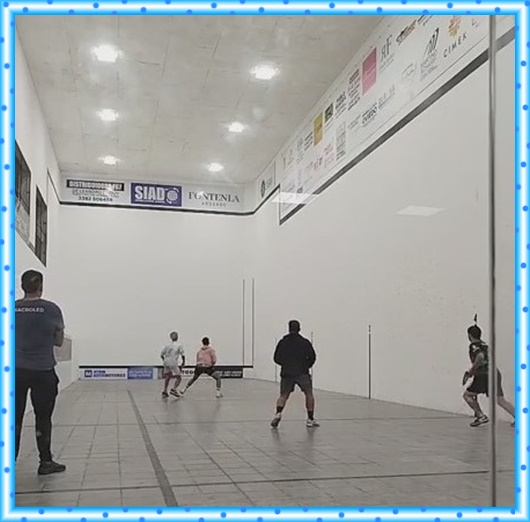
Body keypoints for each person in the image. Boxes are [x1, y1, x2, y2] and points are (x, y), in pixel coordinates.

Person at [15, 270, 66, 475]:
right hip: (43, 371)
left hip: (15, 371)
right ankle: (45, 462)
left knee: (13, 419)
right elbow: (59, 341)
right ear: (41, 287)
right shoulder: (52, 309)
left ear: (22, 286)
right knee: (43, 418)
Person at [462, 324, 515, 427]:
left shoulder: (474, 346)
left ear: (469, 335)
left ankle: (481, 416)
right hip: (494, 372)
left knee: (467, 395)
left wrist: (471, 371)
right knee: (499, 399)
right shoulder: (485, 345)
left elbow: (480, 357)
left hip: (484, 375)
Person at [271, 320, 319, 428]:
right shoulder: (305, 342)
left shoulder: (283, 342)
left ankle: (278, 413)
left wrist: (285, 364)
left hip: (287, 373)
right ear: (299, 329)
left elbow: (276, 358)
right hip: (302, 372)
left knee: (283, 395)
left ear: (289, 328)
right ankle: (310, 419)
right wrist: (306, 366)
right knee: (308, 394)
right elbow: (312, 357)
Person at [160, 331, 185, 399]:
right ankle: (173, 389)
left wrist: (165, 361)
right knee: (179, 377)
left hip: (166, 362)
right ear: (177, 337)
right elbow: (182, 354)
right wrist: (183, 362)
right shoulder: (179, 345)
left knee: (168, 376)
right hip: (173, 362)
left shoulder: (167, 345)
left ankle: (165, 391)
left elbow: (161, 355)